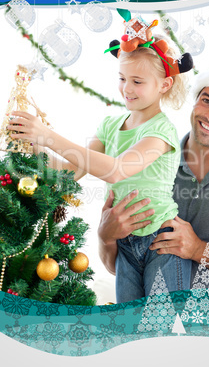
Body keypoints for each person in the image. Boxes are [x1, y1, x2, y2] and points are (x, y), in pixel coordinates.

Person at [7, 17, 194, 303]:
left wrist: (48, 136)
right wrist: (33, 144)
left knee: (161, 327)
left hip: (161, 241)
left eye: (137, 81)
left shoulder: (162, 130)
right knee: (128, 324)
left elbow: (117, 171)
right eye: (122, 78)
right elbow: (68, 171)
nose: (127, 88)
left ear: (164, 84)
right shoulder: (110, 125)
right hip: (124, 244)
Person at [97, 55, 209, 290]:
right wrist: (105, 238)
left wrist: (198, 249)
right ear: (195, 102)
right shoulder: (152, 156)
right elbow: (120, 267)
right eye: (206, 101)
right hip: (152, 321)